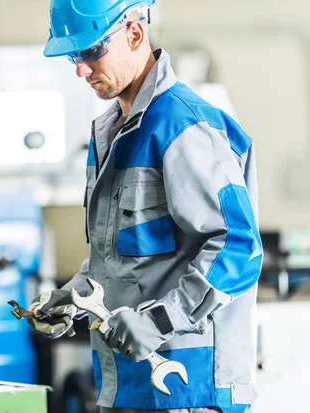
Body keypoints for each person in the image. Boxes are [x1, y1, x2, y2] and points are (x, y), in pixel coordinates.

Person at [27, 1, 263, 412]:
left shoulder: (184, 127)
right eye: (72, 56)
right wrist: (72, 298)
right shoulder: (110, 134)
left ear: (134, 34)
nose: (81, 70)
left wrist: (160, 321)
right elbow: (117, 259)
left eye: (90, 52)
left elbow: (239, 248)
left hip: (191, 390)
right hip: (128, 386)